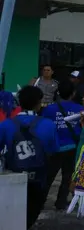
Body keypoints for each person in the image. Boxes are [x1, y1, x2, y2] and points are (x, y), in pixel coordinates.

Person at [0, 86, 59, 229]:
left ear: (19, 102)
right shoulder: (48, 125)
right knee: (30, 217)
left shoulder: (5, 125)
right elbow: (54, 150)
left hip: (12, 178)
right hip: (38, 179)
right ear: (39, 103)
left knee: (10, 218)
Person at [41, 81, 84, 210]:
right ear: (74, 93)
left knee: (48, 177)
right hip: (72, 147)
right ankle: (61, 202)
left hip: (53, 148)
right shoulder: (80, 109)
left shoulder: (49, 109)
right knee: (67, 177)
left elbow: (44, 127)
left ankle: (40, 201)